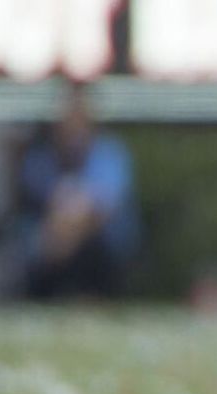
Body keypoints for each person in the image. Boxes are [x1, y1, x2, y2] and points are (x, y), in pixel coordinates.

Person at [20, 84, 139, 298]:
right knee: (31, 239)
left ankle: (87, 297)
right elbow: (43, 209)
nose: (73, 126)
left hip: (98, 245)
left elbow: (102, 211)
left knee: (90, 240)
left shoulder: (109, 153)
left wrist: (69, 232)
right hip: (51, 244)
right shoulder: (40, 159)